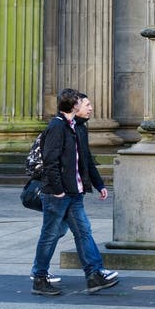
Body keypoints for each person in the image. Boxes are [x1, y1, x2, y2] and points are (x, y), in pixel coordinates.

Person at [30, 88, 119, 296]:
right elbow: (50, 161)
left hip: (74, 192)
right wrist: (58, 190)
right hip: (58, 194)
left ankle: (94, 274)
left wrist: (99, 184)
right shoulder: (57, 126)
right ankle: (40, 277)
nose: (88, 107)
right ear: (74, 106)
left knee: (83, 232)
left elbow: (85, 160)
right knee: (50, 235)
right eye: (84, 103)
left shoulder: (76, 128)